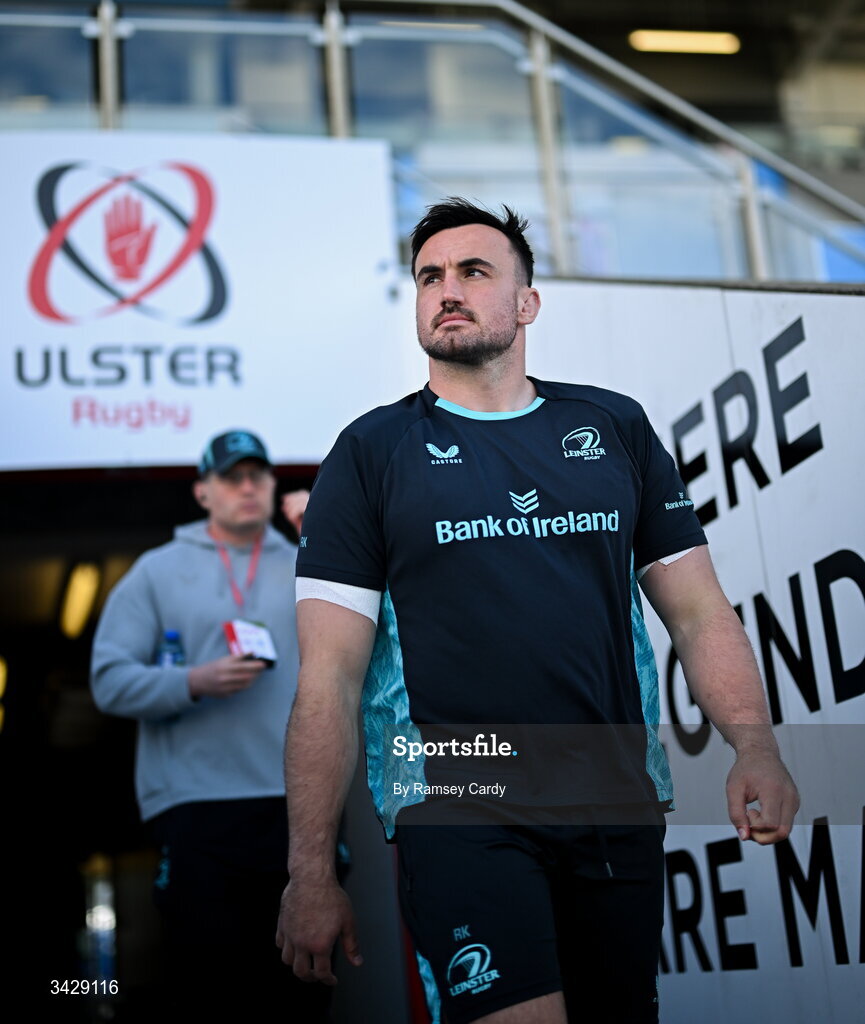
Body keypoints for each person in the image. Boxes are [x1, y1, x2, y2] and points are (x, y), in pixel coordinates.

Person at [274, 199, 799, 1023]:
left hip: (611, 794)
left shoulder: (611, 425)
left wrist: (754, 745)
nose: (446, 290)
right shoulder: (368, 454)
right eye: (429, 277)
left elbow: (697, 612)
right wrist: (310, 870)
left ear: (526, 302)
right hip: (455, 794)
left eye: (473, 272)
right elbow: (328, 681)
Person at [90, 429, 328, 1023]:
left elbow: (389, 635)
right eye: (231, 477)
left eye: (258, 475)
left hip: (298, 804)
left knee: (299, 991)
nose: (247, 487)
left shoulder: (311, 557)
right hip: (196, 807)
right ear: (202, 492)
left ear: (274, 485)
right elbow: (108, 681)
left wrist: (328, 534)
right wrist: (191, 683)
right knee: (210, 986)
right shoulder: (156, 572)